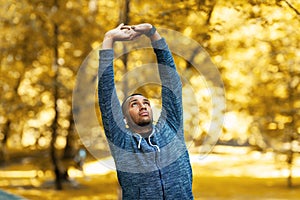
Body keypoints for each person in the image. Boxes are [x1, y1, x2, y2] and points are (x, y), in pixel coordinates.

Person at [98, 23, 194, 199]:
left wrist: (153, 33)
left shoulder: (170, 129)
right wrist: (109, 39)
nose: (142, 105)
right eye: (133, 104)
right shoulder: (122, 142)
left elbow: (171, 81)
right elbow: (106, 96)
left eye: (146, 102)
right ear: (124, 118)